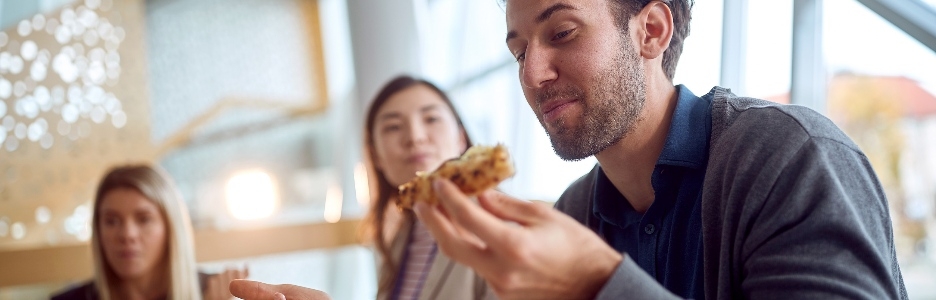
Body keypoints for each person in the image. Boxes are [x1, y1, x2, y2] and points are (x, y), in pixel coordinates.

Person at [410, 0, 909, 299]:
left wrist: (597, 283)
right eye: (519, 52)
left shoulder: (790, 159)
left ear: (651, 31)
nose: (533, 74)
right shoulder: (575, 214)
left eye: (562, 33)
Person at [359, 75, 496, 300]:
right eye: (393, 127)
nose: (415, 137)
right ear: (376, 157)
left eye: (431, 119)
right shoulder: (399, 239)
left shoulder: (500, 228)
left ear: (460, 139)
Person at [51, 164, 248, 300]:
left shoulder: (219, 292)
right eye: (111, 221)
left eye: (144, 219)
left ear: (170, 228)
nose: (127, 234)